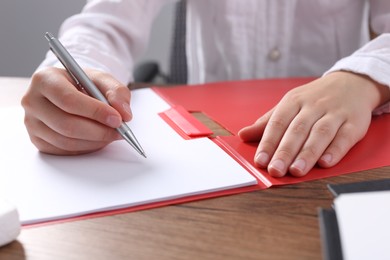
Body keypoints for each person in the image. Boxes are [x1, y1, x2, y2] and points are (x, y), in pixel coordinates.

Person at [21, 0, 390, 178]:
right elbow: (104, 23)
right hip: (211, 147)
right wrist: (75, 74)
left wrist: (362, 78)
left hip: (340, 140)